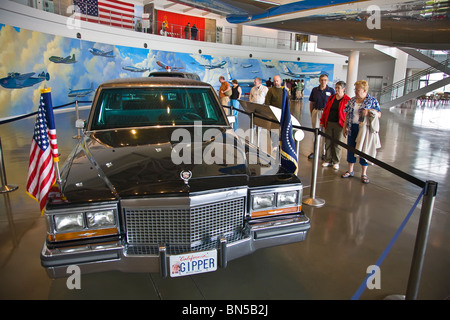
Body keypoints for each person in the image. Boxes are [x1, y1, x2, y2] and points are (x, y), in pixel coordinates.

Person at [342, 80, 381, 184]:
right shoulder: (352, 100)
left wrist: (369, 112)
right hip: (352, 127)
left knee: (364, 149)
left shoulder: (372, 100)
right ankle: (350, 170)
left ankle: (364, 173)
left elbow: (379, 114)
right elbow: (347, 114)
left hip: (364, 130)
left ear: (364, 90)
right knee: (351, 148)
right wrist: (344, 127)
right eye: (355, 89)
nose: (355, 91)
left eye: (357, 90)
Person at [320, 81, 350, 170]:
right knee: (328, 142)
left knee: (337, 143)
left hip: (340, 125)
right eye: (336, 87)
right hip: (329, 123)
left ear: (343, 89)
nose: (336, 89)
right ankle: (328, 159)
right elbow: (326, 110)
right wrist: (322, 121)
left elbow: (348, 114)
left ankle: (336, 161)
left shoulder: (347, 99)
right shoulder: (331, 98)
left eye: (339, 88)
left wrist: (346, 125)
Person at [308, 74, 335, 159]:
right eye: (322, 80)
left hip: (326, 113)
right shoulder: (315, 90)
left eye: (325, 80)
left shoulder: (331, 90)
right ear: (319, 80)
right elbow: (311, 102)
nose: (323, 81)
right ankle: (314, 151)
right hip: (316, 111)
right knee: (315, 133)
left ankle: (324, 153)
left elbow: (333, 103)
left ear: (328, 81)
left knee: (325, 133)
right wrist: (312, 112)